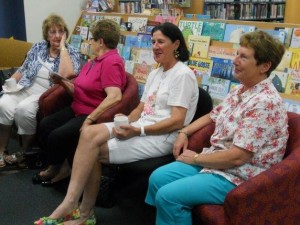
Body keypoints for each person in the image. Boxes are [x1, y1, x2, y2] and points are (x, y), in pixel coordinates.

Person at [34, 22, 199, 225]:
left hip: (162, 136)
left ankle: (82, 212)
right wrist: (125, 120)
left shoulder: (183, 75)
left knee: (92, 149)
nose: (155, 46)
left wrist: (137, 129)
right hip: (141, 126)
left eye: (161, 42)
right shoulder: (156, 73)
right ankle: (74, 205)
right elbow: (140, 107)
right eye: (153, 41)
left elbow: (177, 121)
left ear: (176, 45)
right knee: (87, 134)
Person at [145, 30, 289, 225]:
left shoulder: (265, 103)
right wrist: (184, 132)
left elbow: (238, 157)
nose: (235, 60)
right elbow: (213, 115)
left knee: (168, 196)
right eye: (237, 54)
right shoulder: (241, 89)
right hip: (216, 160)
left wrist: (196, 158)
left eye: (243, 57)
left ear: (265, 66)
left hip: (239, 175)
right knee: (158, 178)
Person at [32, 19, 127, 186]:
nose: (89, 42)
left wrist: (91, 118)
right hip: (77, 107)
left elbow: (115, 96)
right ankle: (61, 163)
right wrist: (62, 82)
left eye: (91, 39)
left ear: (101, 42)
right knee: (46, 125)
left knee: (56, 136)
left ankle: (58, 168)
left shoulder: (111, 62)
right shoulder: (94, 61)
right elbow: (79, 90)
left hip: (89, 112)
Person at [0, 14, 81, 168]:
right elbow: (23, 69)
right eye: (53, 32)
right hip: (25, 86)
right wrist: (9, 84)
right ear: (46, 34)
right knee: (4, 103)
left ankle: (24, 153)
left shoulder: (72, 52)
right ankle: (1, 150)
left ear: (66, 34)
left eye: (61, 31)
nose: (57, 35)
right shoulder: (38, 47)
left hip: (45, 93)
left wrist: (63, 48)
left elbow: (68, 76)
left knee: (24, 110)